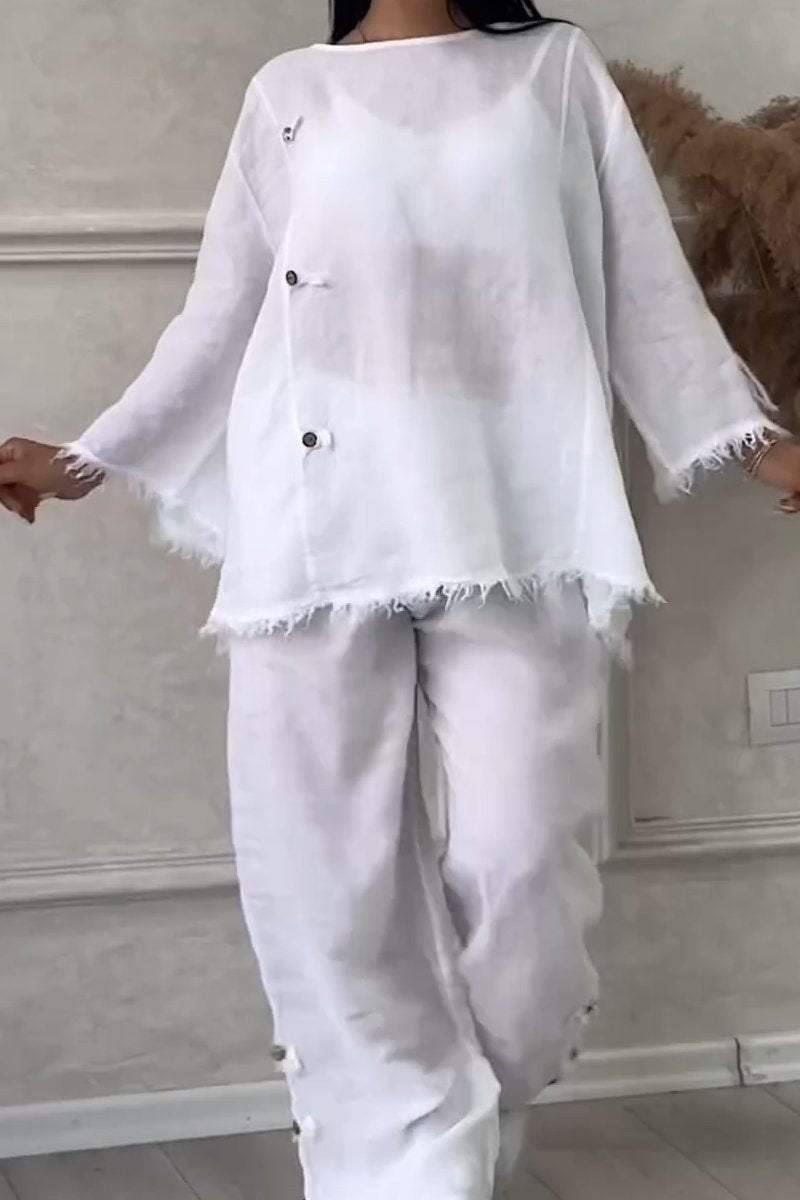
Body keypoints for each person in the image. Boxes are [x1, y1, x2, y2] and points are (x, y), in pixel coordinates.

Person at [3, 2, 800, 1197]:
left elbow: (643, 284)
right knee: (325, 879)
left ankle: (463, 1102)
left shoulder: (554, 72)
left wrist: (758, 445)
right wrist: (86, 460)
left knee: (524, 864)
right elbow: (221, 316)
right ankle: (410, 1162)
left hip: (513, 523)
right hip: (315, 522)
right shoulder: (289, 92)